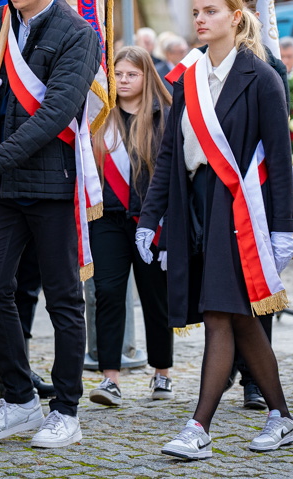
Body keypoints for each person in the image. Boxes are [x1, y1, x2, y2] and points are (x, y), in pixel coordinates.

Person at [137, 0, 293, 459]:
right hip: (196, 205)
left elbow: (282, 159)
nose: (200, 19)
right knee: (241, 318)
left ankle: (199, 426)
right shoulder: (187, 79)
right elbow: (169, 155)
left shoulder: (263, 77)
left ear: (236, 17)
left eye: (211, 11)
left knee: (218, 314)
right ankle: (282, 418)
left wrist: (284, 229)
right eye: (195, 11)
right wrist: (152, 218)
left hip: (241, 208)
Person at [0, 0, 101, 449]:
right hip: (3, 187)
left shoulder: (79, 35)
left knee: (63, 298)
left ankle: (66, 409)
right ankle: (18, 398)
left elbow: (53, 115)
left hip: (54, 185)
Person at [88, 46, 174, 407]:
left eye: (131, 74)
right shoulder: (99, 116)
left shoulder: (164, 116)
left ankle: (162, 372)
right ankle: (110, 378)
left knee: (156, 297)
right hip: (108, 217)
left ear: (146, 76)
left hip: (150, 219)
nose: (123, 81)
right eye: (119, 74)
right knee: (107, 292)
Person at [221, 0, 290, 410]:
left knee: (256, 283)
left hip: (255, 187)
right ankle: (229, 363)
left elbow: (276, 141)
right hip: (218, 191)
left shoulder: (270, 68)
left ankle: (252, 379)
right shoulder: (201, 63)